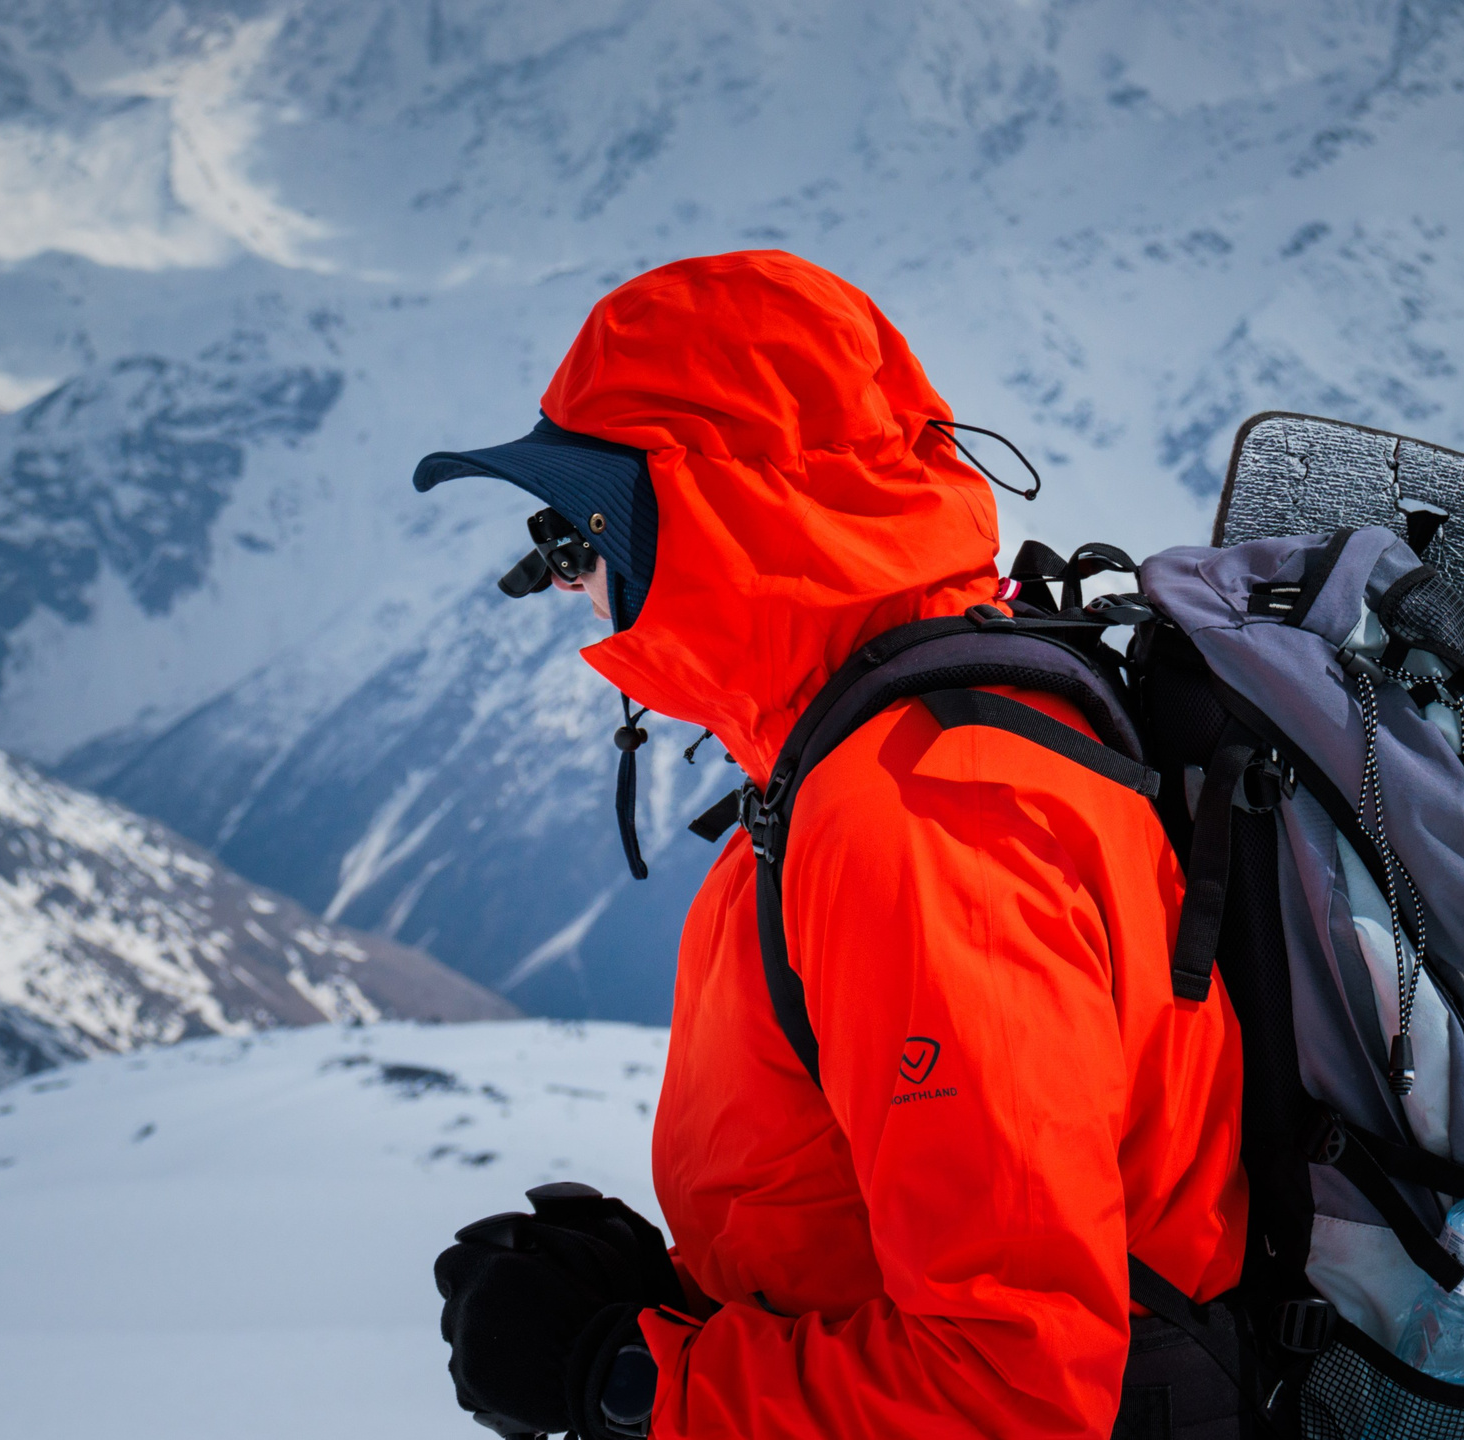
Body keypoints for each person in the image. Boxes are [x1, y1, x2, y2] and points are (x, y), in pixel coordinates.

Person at [415, 250, 1247, 1439]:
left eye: (571, 530)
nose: (559, 582)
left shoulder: (926, 821)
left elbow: (1012, 1387)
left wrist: (633, 1383)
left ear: (697, 515)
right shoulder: (868, 744)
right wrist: (692, 1297)